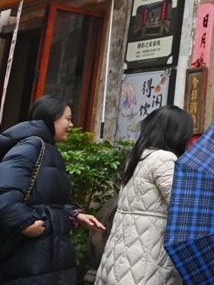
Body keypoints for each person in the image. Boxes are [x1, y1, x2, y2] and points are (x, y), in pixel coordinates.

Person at [0, 95, 106, 284]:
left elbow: (45, 202)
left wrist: (73, 214)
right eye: (68, 118)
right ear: (51, 117)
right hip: (28, 260)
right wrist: (25, 223)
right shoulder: (31, 146)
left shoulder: (48, 149)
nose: (71, 124)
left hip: (46, 259)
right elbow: (4, 193)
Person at [94, 106, 193, 285]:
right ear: (176, 133)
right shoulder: (164, 158)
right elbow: (182, 207)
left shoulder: (138, 157)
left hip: (122, 256)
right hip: (147, 259)